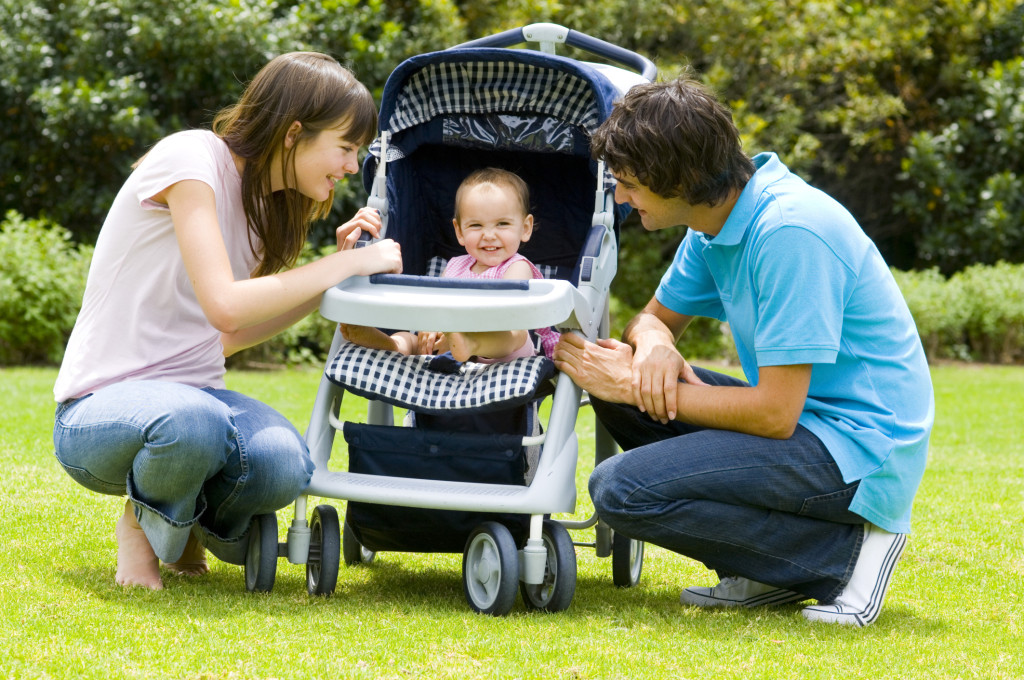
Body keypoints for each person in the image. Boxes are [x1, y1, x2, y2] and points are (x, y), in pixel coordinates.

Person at [553, 72, 934, 627]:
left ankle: (844, 558)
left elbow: (774, 414)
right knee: (622, 395)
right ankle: (768, 572)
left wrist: (637, 381)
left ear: (676, 175)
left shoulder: (789, 231)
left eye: (629, 181)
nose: (620, 194)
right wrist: (654, 347)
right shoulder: (714, 223)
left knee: (619, 490)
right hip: (809, 423)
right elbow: (652, 318)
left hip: (863, 445)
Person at [52, 52, 403, 590]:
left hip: (196, 400)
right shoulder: (191, 160)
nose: (354, 166)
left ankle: (185, 520)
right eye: (347, 147)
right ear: (293, 134)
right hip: (102, 407)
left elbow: (230, 336)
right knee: (193, 422)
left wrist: (330, 280)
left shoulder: (266, 208)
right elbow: (227, 304)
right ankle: (144, 528)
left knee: (286, 462)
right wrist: (345, 263)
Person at [342, 167, 559, 363]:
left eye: (502, 224)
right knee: (412, 338)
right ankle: (391, 345)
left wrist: (462, 329)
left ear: (525, 228)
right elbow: (437, 306)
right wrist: (432, 327)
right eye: (476, 225)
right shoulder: (455, 266)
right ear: (459, 231)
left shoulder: (517, 267)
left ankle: (469, 343)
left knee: (515, 334)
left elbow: (507, 314)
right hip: (453, 344)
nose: (489, 235)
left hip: (502, 353)